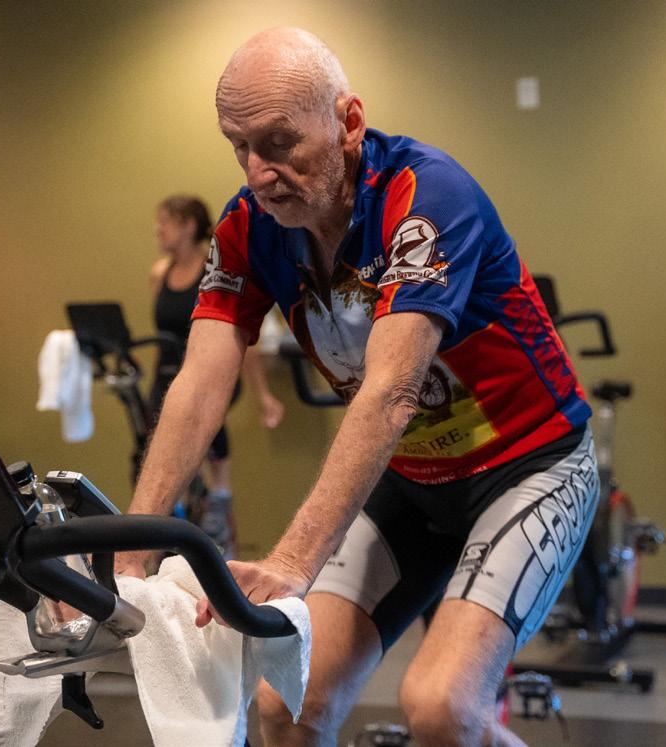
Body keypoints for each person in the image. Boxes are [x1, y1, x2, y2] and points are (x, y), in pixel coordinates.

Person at [116, 28, 599, 747]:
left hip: (528, 467)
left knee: (441, 708)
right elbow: (199, 384)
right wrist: (131, 556)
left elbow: (391, 393)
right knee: (286, 704)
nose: (259, 172)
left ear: (348, 122)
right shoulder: (247, 227)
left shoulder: (427, 195)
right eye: (239, 147)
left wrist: (291, 563)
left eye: (279, 142)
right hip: (411, 482)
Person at [147, 194, 285, 558]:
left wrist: (264, 395)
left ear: (188, 226)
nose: (158, 230)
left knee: (204, 419)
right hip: (168, 375)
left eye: (165, 222)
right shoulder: (160, 274)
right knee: (160, 441)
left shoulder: (214, 271)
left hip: (210, 372)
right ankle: (172, 525)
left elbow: (245, 338)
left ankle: (220, 499)